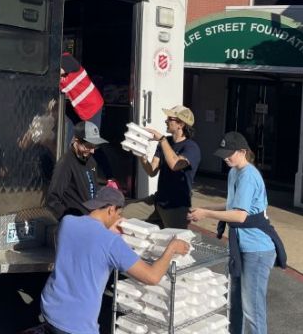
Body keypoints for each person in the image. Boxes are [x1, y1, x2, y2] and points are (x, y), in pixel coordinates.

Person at [40, 187, 191, 334]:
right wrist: (171, 249)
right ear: (111, 210)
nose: (119, 219)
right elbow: (152, 277)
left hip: (50, 307)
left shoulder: (67, 222)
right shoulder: (112, 243)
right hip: (76, 324)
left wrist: (106, 229)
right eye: (119, 214)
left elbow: (86, 241)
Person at [187, 132, 286, 334]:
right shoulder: (235, 172)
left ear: (242, 152)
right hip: (242, 246)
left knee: (253, 308)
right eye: (223, 154)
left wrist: (206, 213)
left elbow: (240, 216)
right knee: (236, 303)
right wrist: (206, 207)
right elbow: (233, 205)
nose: (225, 158)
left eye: (229, 153)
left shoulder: (249, 176)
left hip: (257, 249)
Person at [122, 105, 201, 229]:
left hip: (176, 206)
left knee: (176, 241)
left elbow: (175, 165)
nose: (166, 121)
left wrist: (162, 140)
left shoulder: (191, 147)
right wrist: (141, 155)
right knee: (123, 213)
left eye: (170, 119)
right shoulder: (165, 143)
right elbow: (152, 171)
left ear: (181, 124)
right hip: (158, 201)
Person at [46, 121, 107, 220]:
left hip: (92, 221)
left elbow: (92, 189)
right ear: (76, 141)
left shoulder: (91, 162)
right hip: (77, 223)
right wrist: (70, 221)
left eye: (95, 145)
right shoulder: (66, 163)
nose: (92, 150)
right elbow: (52, 199)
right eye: (88, 145)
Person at [60, 52, 104, 133]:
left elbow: (57, 71)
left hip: (92, 106)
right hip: (81, 110)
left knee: (91, 140)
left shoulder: (67, 59)